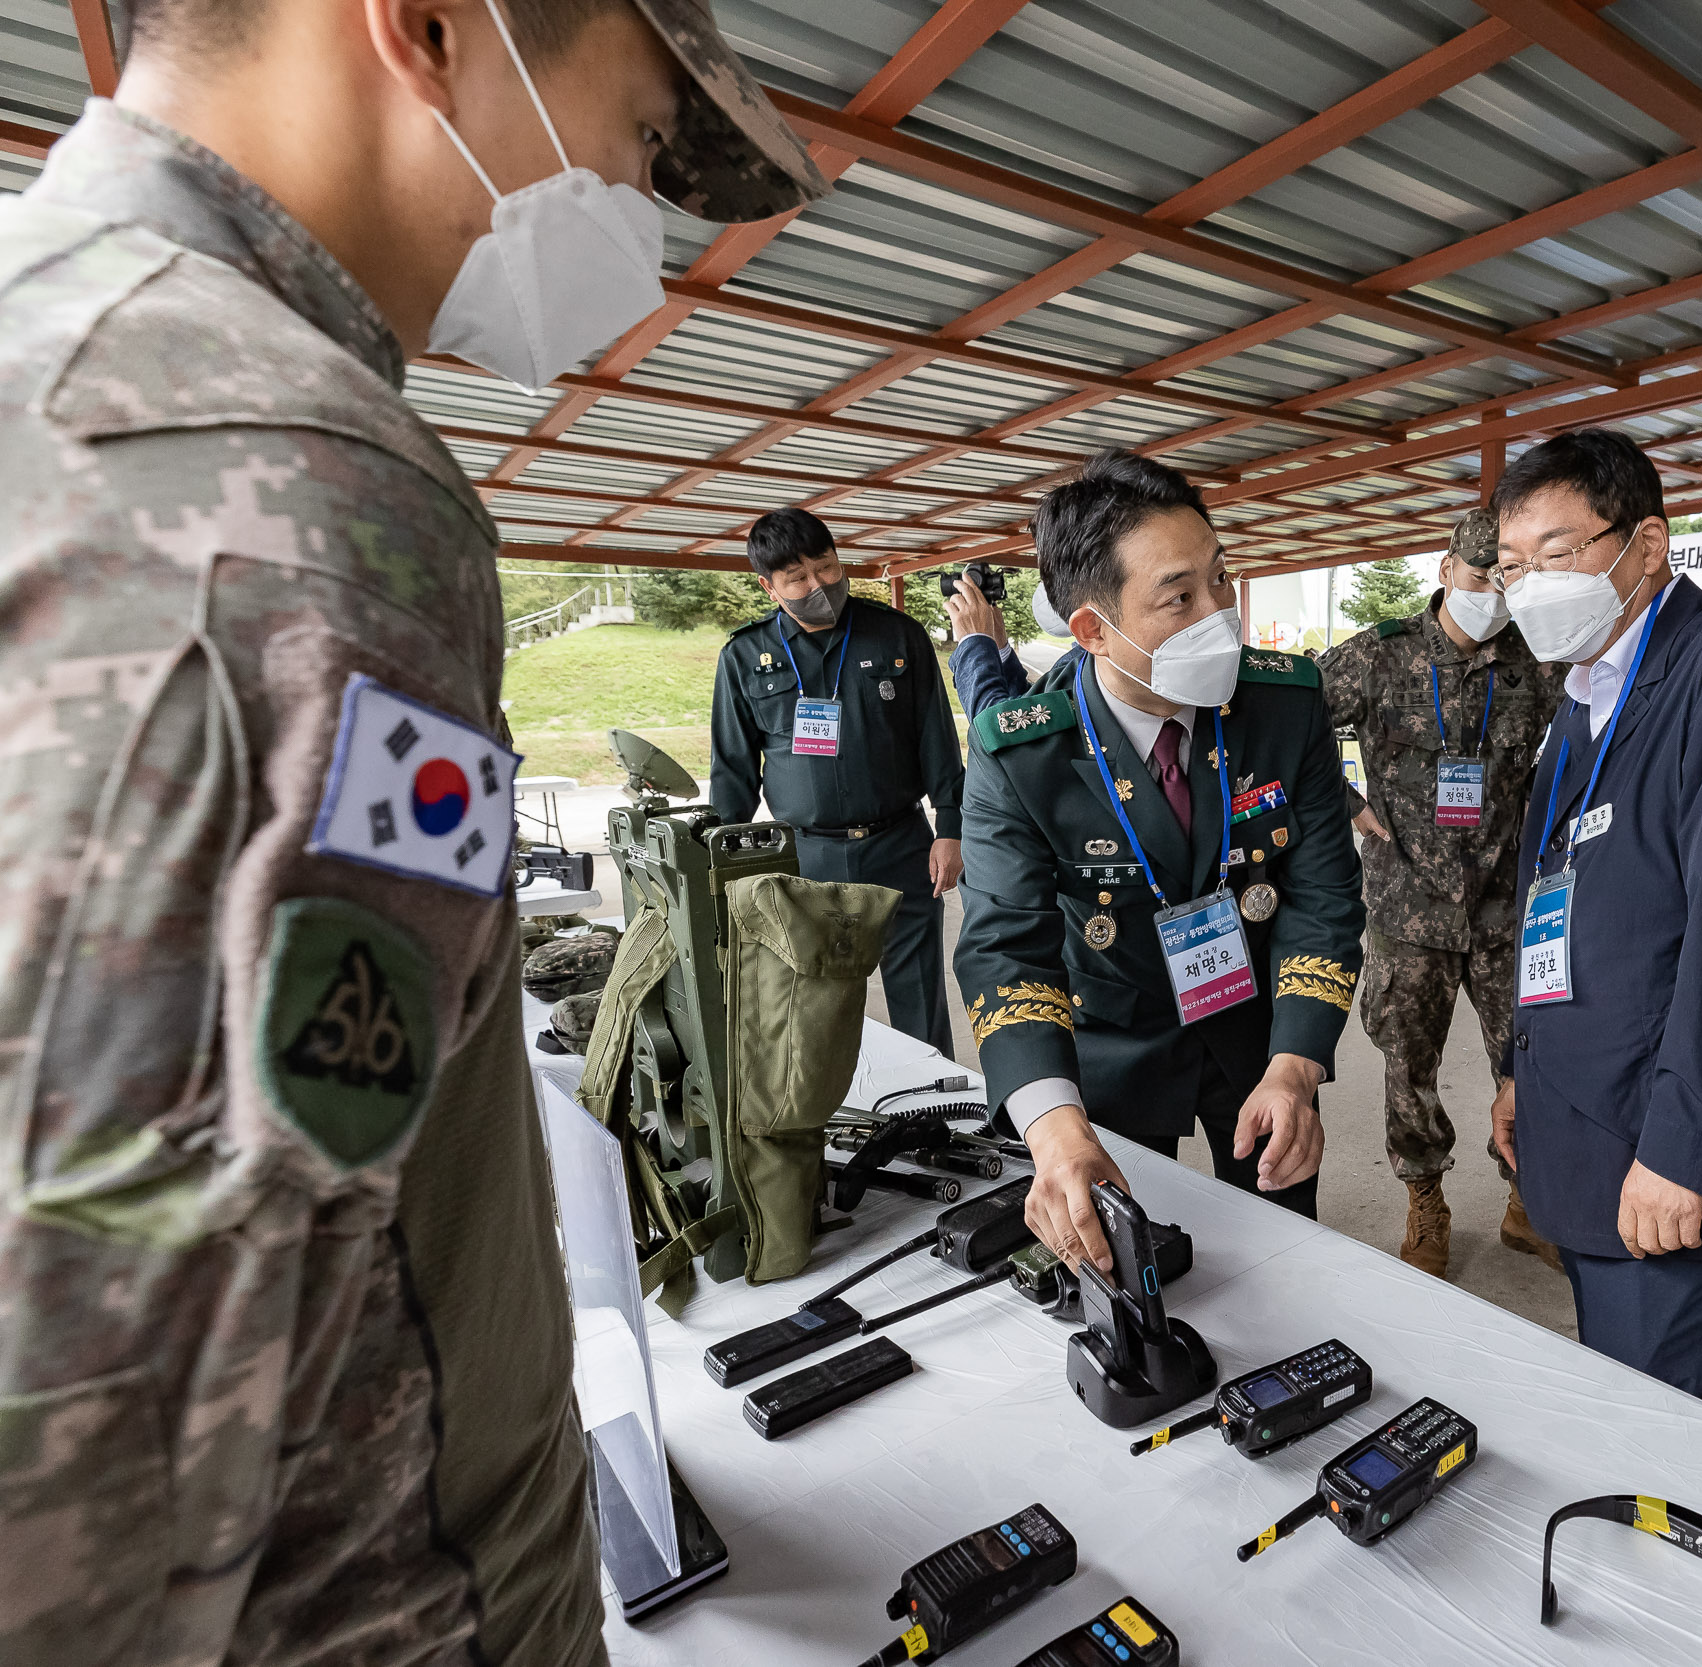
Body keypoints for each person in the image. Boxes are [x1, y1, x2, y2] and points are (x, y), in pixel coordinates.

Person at [0, 0, 825, 1661]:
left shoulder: (63, 358)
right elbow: (86, 1416)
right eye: (645, 133)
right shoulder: (287, 495)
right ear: (432, 28)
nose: (639, 205)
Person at [1489, 429, 1702, 1421]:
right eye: (1513, 566)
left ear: (1646, 544)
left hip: (1678, 1164)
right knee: (1625, 1422)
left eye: (1557, 555)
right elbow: (1564, 898)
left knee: (1668, 1457)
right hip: (1595, 1132)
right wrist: (1528, 1071)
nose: (1529, 587)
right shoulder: (1584, 696)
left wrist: (1686, 1147)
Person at [953, 450, 1364, 1269]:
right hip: (1112, 1037)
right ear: (1092, 629)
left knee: (1287, 1251)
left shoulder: (1283, 705)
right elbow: (1006, 947)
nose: (1218, 613)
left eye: (1221, 580)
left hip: (1259, 1031)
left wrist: (1298, 1062)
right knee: (1120, 1257)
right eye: (1179, 597)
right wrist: (1052, 1122)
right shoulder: (1023, 750)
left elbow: (1322, 894)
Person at [1317, 510, 1565, 1276]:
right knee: (1407, 1066)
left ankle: (1531, 1197)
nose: (1492, 589)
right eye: (1480, 572)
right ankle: (1425, 1197)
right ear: (1444, 568)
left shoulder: (1536, 659)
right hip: (1409, 908)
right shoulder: (1379, 657)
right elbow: (1291, 730)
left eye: (1508, 575)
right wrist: (1348, 801)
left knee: (1531, 1059)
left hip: (1504, 908)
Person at [710, 507, 965, 1056]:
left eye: (825, 567)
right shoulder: (744, 657)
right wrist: (724, 860)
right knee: (810, 1000)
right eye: (797, 578)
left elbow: (935, 737)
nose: (817, 585)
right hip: (805, 856)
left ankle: (936, 1113)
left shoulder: (896, 634)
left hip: (901, 845)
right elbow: (732, 767)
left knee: (918, 991)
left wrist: (952, 826)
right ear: (768, 585)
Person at [944, 566, 1076, 717]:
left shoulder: (1085, 668)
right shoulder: (1084, 661)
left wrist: (974, 641)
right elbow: (1032, 711)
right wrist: (1000, 648)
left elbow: (998, 726)